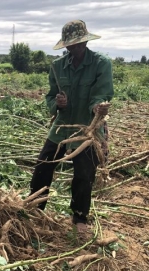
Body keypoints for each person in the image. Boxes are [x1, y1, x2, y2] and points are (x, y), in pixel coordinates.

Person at [29, 20, 114, 232]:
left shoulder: (101, 64)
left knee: (85, 173)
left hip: (88, 128)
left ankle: (80, 219)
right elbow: (49, 97)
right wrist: (56, 103)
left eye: (78, 44)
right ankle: (35, 210)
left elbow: (101, 94)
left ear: (85, 42)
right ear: (65, 45)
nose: (74, 49)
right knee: (43, 166)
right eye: (70, 45)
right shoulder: (57, 67)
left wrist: (98, 108)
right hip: (62, 125)